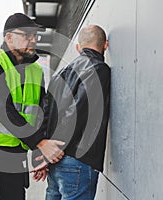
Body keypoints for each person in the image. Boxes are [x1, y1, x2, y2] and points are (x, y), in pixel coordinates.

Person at [0, 13, 65, 200]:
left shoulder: (36, 71)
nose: (33, 40)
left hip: (15, 155)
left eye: (35, 35)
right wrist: (41, 143)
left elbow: (38, 113)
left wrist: (38, 152)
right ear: (9, 37)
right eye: (27, 35)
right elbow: (3, 109)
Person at [33, 25, 111, 200]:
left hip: (56, 161)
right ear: (105, 45)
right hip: (78, 161)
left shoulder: (60, 73)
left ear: (78, 47)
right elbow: (75, 113)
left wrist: (47, 153)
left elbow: (45, 114)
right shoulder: (99, 69)